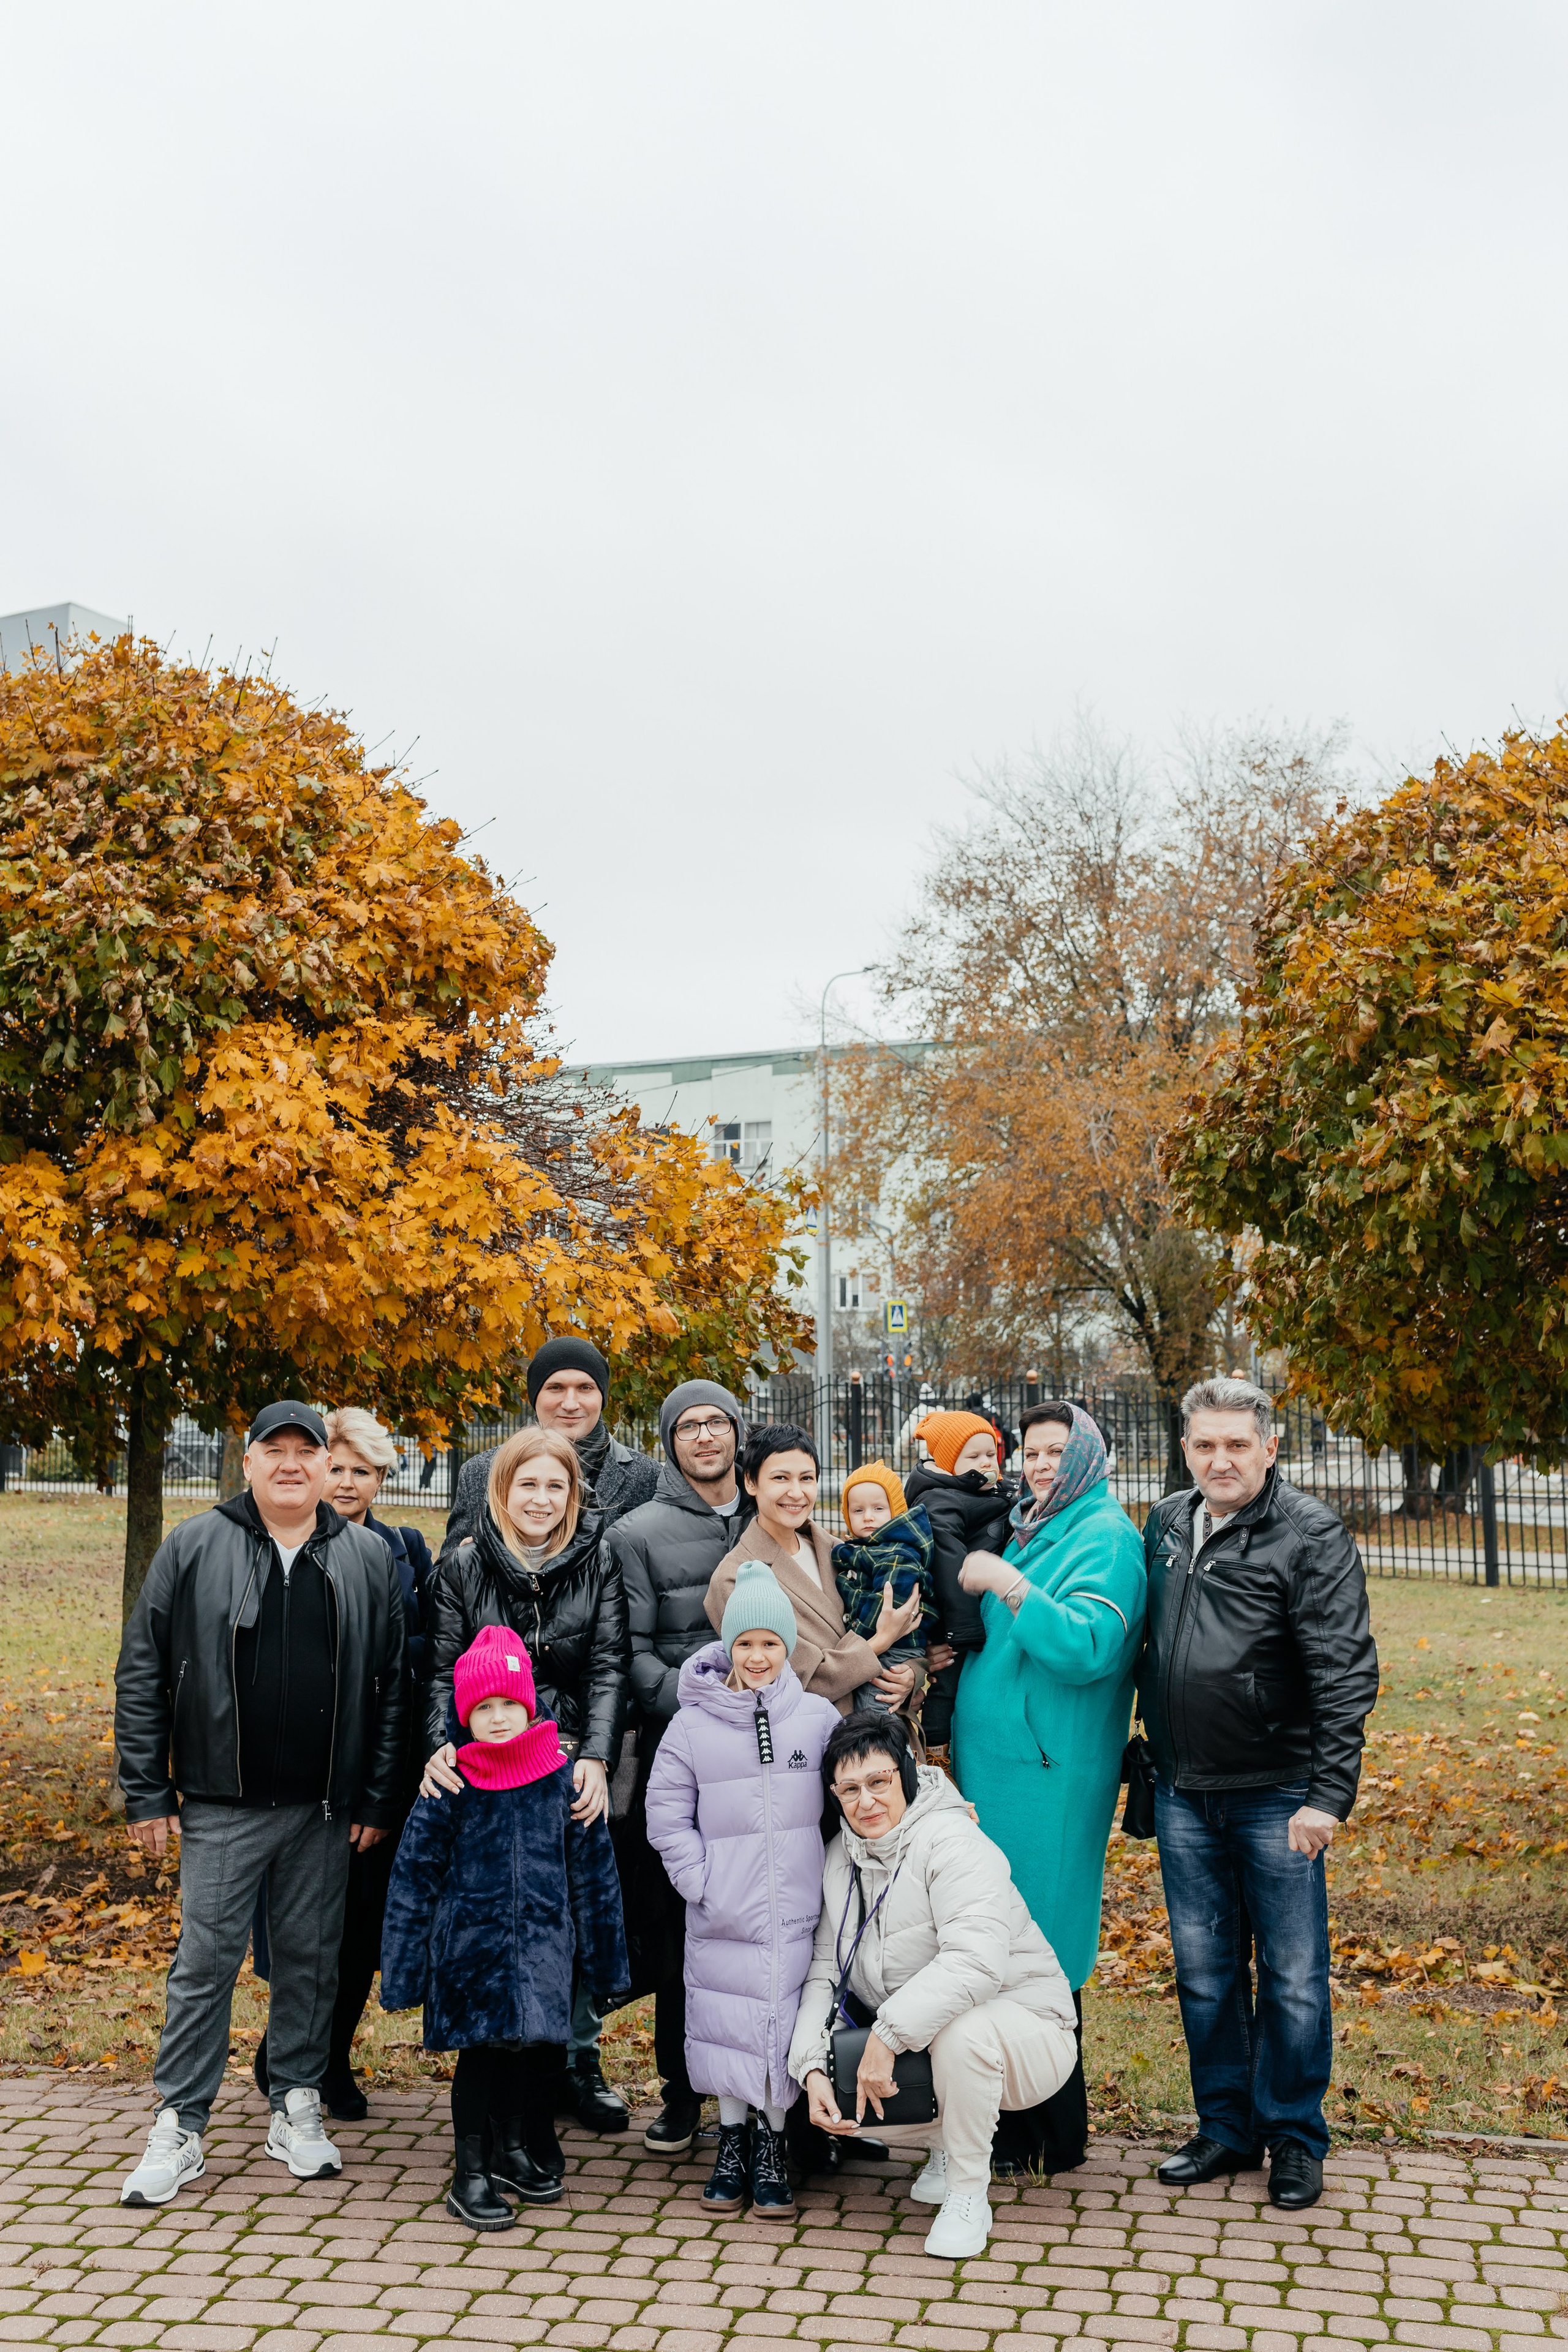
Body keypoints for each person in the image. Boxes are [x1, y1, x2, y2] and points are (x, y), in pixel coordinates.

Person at [114, 1401, 408, 2207]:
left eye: (304, 1452)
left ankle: (296, 2103)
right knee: (204, 1966)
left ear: (325, 1466)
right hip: (220, 1803)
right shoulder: (194, 1546)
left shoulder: (367, 1559)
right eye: (272, 1451)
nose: (290, 1464)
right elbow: (142, 1670)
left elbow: (389, 1690)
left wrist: (378, 1794)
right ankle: (180, 2121)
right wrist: (145, 1789)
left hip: (323, 1807)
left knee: (311, 1964)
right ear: (246, 1464)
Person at [1140, 1375, 1379, 2212]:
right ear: (1186, 1449)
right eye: (1205, 1444)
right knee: (1205, 1975)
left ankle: (1295, 2138)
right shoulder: (1167, 1522)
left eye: (1237, 1444)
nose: (1221, 1459)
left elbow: (1345, 1672)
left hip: (1278, 1795)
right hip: (1182, 1791)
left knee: (1292, 1977)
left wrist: (1328, 1797)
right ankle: (1226, 2128)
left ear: (1270, 1448)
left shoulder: (1309, 1533)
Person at [790, 1713, 1078, 2261]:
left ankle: (969, 2195)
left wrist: (886, 2038)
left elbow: (976, 1963)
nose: (866, 1801)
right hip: (927, 2034)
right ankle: (944, 2148)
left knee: (963, 2033)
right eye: (849, 1789)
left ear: (907, 1775)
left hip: (1031, 2030)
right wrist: (809, 2067)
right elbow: (824, 1970)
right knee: (841, 2088)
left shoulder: (953, 1842)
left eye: (879, 1782)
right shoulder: (839, 1857)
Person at [380, 1626, 630, 2229]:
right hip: (471, 1954)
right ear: (465, 1714)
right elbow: (412, 1879)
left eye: (507, 1705)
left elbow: (595, 1878)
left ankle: (513, 2150)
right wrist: (405, 1968)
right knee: (483, 2060)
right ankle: (470, 2171)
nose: (496, 1719)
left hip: (543, 1949)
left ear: (530, 1705)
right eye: (483, 1708)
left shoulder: (564, 1779)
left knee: (526, 2056)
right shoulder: (450, 1783)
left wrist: (605, 1964)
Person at [952, 1401, 1146, 2173]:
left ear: (1087, 1459)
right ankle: (1013, 2122)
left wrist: (1007, 1584)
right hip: (1001, 1771)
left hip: (1050, 1776)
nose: (1039, 1466)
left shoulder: (1106, 1537)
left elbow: (1089, 1646)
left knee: (1047, 1951)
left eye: (1055, 1453)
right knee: (998, 1942)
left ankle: (1057, 2133)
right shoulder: (1037, 1525)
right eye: (1030, 1453)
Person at [424, 1424, 633, 2134]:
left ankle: (564, 2075)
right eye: (528, 1485)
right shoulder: (463, 1566)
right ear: (501, 1491)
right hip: (488, 1771)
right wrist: (438, 1749)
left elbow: (608, 1666)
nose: (541, 1499)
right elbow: (440, 1670)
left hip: (567, 1764)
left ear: (573, 1495)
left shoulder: (597, 1560)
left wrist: (597, 1758)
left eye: (556, 1485)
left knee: (564, 1927)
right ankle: (491, 2111)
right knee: (492, 1928)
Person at [251, 1406, 437, 2118]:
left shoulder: (406, 1548)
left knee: (359, 1927)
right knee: (302, 1922)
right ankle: (285, 2047)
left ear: (381, 1478)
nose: (350, 1482)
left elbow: (427, 1646)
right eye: (341, 1468)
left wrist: (383, 1660)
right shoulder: (285, 1544)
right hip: (301, 1765)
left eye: (365, 1470)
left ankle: (330, 2058)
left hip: (378, 1761)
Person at [644, 1558, 840, 2218]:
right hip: (721, 1910)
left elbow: (863, 1782)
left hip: (796, 1910)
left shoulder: (814, 1718)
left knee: (784, 2027)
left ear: (789, 1649)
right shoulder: (692, 1724)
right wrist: (700, 1881)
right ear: (728, 1646)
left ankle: (773, 2143)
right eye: (746, 1643)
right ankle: (731, 2139)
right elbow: (665, 1812)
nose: (757, 1657)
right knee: (725, 2025)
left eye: (771, 1644)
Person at [609, 1379, 752, 2156]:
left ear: (736, 1433)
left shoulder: (773, 1514)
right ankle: (680, 2092)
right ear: (670, 1441)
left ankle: (768, 2093)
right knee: (678, 1928)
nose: (705, 1437)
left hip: (767, 1758)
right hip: (682, 1750)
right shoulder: (638, 1532)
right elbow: (626, 1651)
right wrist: (692, 1704)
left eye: (716, 1423)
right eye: (688, 1426)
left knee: (758, 1922)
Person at [704, 1424, 922, 1716]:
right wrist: (879, 1643)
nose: (796, 1493)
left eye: (806, 1479)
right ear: (751, 1482)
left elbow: (910, 1627)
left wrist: (911, 1673)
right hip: (812, 1745)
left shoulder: (842, 1553)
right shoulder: (733, 1578)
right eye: (781, 1478)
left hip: (884, 1744)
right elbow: (791, 1679)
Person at [440, 1338, 657, 1559]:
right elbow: (441, 1585)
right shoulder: (480, 1472)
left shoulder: (647, 1476)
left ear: (602, 1397)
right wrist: (461, 1563)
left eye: (585, 1388)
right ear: (535, 1397)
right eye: (556, 1388)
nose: (571, 1404)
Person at [905, 1411, 1016, 1763]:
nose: (986, 1463)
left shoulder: (987, 1491)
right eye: (974, 1457)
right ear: (950, 1464)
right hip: (955, 1619)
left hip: (975, 1612)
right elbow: (949, 1557)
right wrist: (963, 1627)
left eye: (991, 1453)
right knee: (946, 1687)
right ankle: (938, 1752)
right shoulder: (941, 1499)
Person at [830, 1463, 935, 1715]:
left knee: (872, 1713)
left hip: (894, 1649)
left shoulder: (898, 1553)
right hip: (882, 1646)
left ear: (895, 1511)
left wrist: (852, 1646)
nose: (868, 1516)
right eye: (858, 1510)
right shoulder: (869, 1550)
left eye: (878, 1508)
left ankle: (881, 1753)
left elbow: (885, 1605)